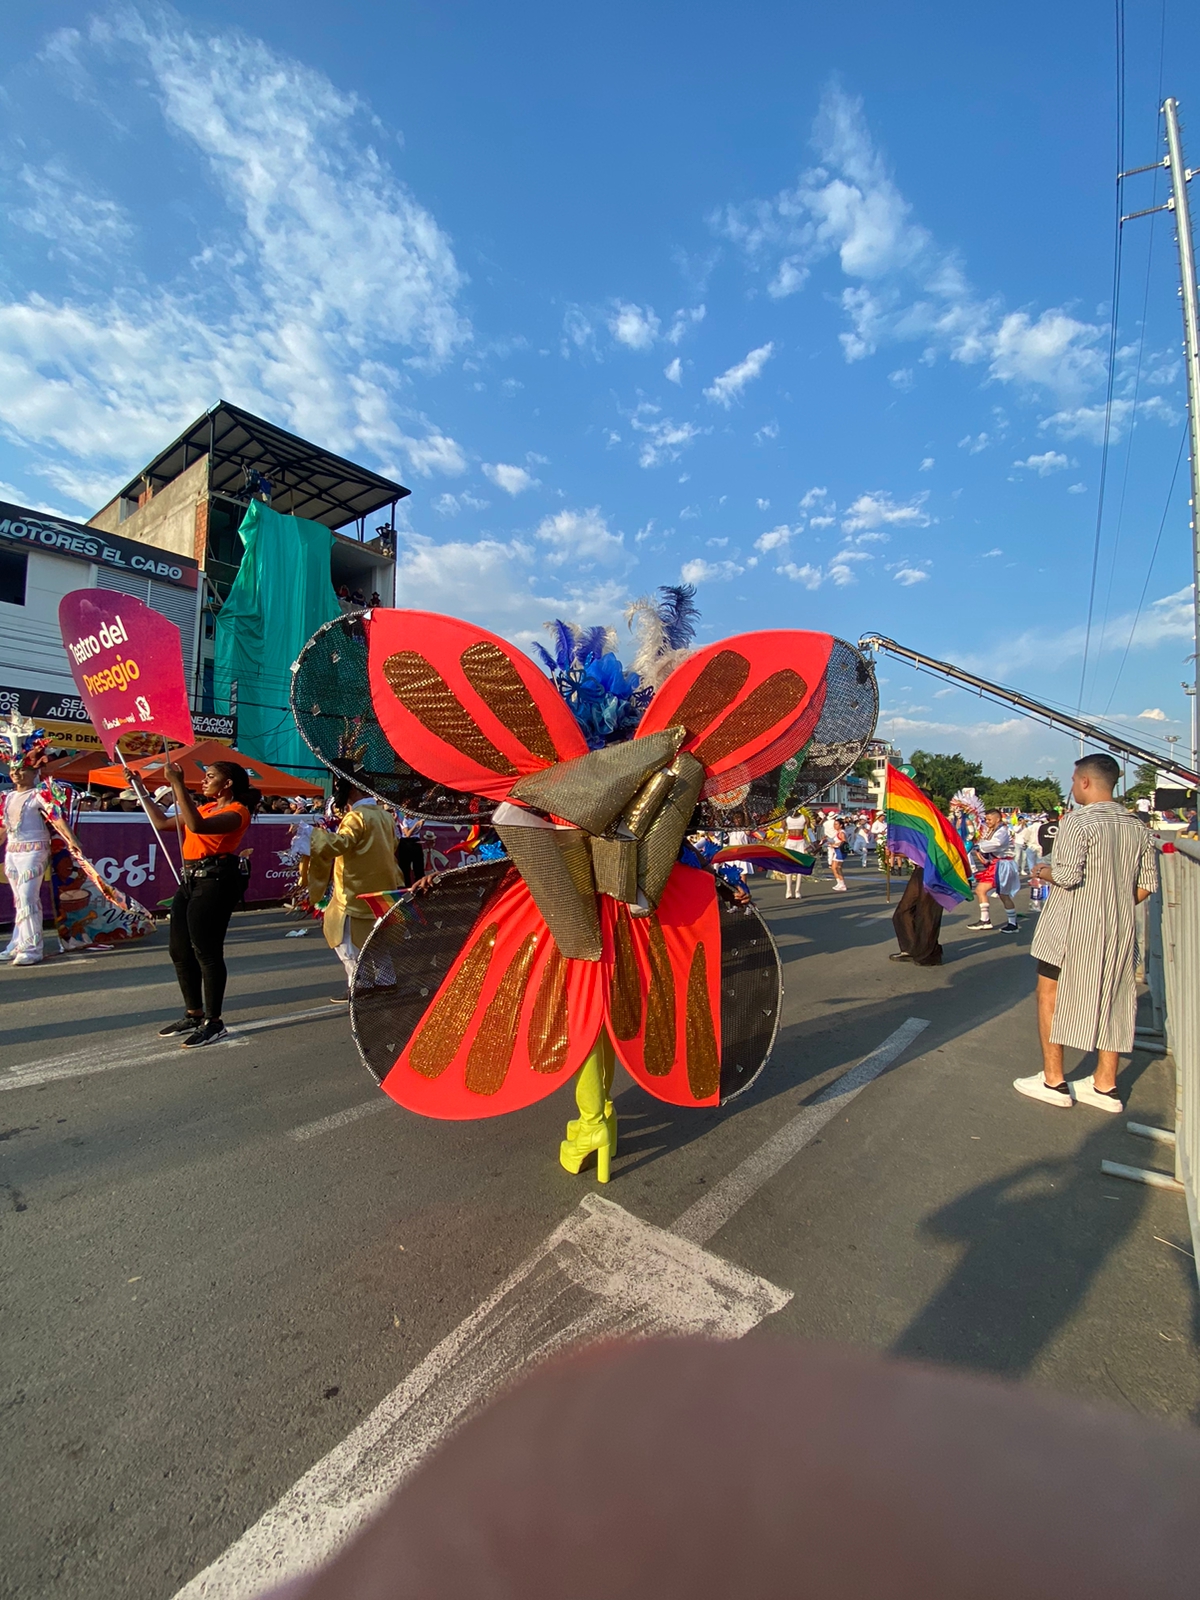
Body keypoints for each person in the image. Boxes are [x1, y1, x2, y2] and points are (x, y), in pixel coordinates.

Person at [1014, 753, 1159, 1112]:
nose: (1073, 786)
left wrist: (1043, 871)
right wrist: (1113, 902)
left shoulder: (1078, 822)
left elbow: (1066, 876)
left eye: (1074, 779)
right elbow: (1146, 885)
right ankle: (1105, 1084)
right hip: (1119, 927)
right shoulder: (1137, 826)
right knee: (1115, 997)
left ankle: (1053, 1080)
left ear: (1085, 782)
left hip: (1070, 927)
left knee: (1049, 994)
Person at [134, 759, 260, 1048]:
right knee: (179, 949)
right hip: (190, 880)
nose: (204, 781)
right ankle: (193, 1013)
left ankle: (214, 1022)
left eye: (210, 776)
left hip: (215, 882)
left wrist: (177, 783)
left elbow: (197, 827)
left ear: (227, 784)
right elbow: (162, 823)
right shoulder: (207, 807)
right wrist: (140, 789)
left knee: (207, 952)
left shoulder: (237, 812)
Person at [306, 769, 402, 998]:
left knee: (347, 942)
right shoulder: (384, 815)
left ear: (353, 789)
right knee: (377, 938)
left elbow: (340, 844)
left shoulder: (356, 816)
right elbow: (394, 844)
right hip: (383, 886)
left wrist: (311, 836)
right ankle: (386, 980)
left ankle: (361, 983)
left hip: (355, 889)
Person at [0, 719, 54, 965]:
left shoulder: (41, 794)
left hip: (35, 849)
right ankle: (17, 942)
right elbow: (4, 827)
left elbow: (56, 818)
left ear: (34, 772)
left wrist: (72, 840)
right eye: (13, 769)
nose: (16, 773)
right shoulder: (7, 797)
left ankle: (32, 948)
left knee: (27, 896)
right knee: (19, 899)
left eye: (22, 769)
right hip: (13, 852)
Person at [967, 807, 1019, 932]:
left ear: (998, 819)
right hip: (996, 864)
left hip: (1003, 865)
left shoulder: (1002, 831)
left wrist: (979, 846)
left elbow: (997, 843)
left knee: (1003, 894)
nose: (987, 821)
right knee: (982, 890)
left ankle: (1011, 923)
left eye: (990, 819)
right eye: (986, 819)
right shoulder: (992, 830)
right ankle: (986, 920)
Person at [889, 856, 944, 965]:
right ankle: (911, 948)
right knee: (903, 911)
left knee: (927, 913)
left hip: (933, 870)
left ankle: (929, 953)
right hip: (919, 869)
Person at [782, 811, 809, 900]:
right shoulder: (786, 818)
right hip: (790, 842)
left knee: (800, 866)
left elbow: (809, 831)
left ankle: (797, 890)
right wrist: (772, 829)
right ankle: (788, 890)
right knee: (789, 867)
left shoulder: (805, 818)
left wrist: (813, 843)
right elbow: (782, 830)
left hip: (800, 842)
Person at [826, 815, 848, 891]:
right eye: (834, 824)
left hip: (840, 851)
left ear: (841, 825)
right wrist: (832, 843)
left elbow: (844, 842)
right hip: (837, 851)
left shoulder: (842, 833)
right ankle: (839, 883)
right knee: (833, 867)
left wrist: (834, 845)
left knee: (838, 868)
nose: (834, 826)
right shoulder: (838, 832)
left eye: (836, 824)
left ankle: (842, 884)